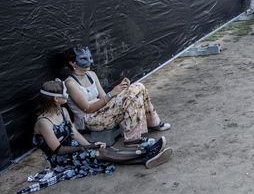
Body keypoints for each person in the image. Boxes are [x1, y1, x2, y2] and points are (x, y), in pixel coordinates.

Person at [36, 80, 172, 171]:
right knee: (101, 153)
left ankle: (146, 157)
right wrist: (88, 147)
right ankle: (147, 153)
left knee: (106, 148)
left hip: (75, 148)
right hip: (60, 159)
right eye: (63, 94)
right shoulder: (44, 122)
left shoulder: (63, 111)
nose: (66, 95)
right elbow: (58, 149)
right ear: (55, 99)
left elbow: (74, 134)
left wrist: (91, 144)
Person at [64, 47, 171, 147]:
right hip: (90, 119)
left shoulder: (91, 74)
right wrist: (113, 93)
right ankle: (132, 140)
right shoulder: (70, 83)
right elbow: (87, 108)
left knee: (138, 87)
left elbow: (104, 97)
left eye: (90, 57)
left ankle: (152, 122)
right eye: (83, 58)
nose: (90, 61)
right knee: (130, 95)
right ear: (72, 62)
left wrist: (122, 89)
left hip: (102, 110)